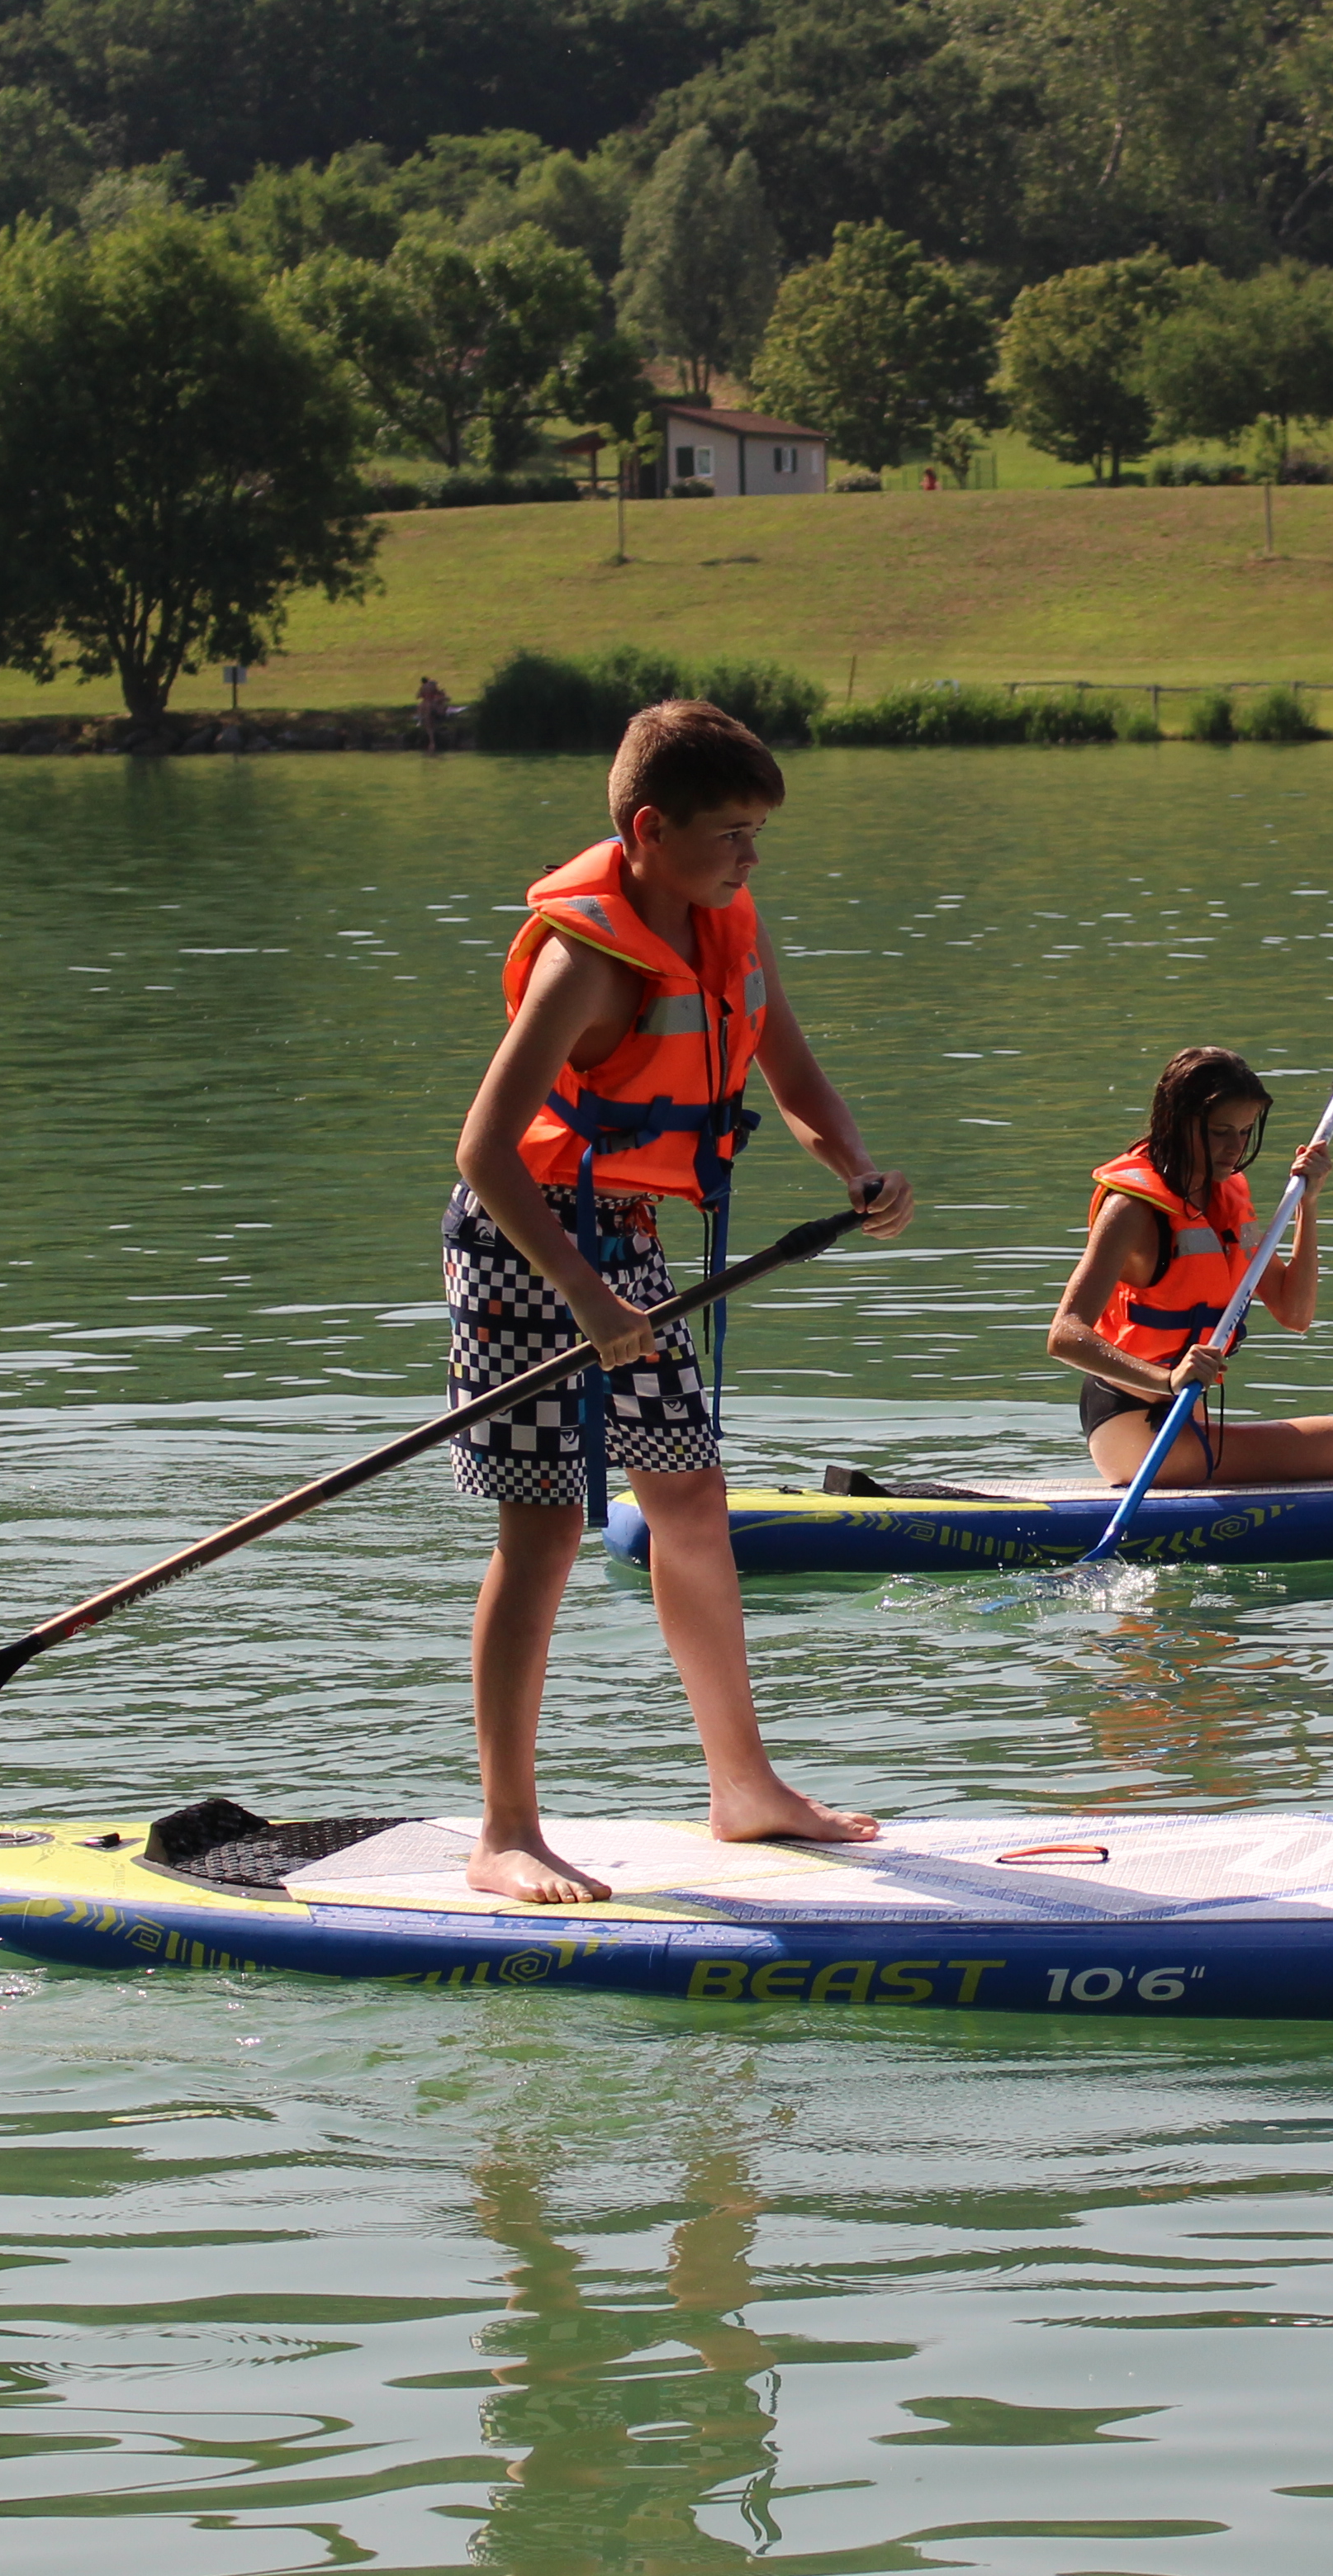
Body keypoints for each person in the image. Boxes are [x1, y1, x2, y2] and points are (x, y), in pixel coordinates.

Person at [447, 698, 914, 1902]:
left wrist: (852, 1165)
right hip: (529, 1246)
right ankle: (505, 1831)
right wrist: (588, 1296)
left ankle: (743, 1788)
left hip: (632, 1243)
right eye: (731, 834)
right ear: (650, 831)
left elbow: (789, 1066)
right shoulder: (583, 960)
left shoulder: (725, 927)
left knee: (691, 1505)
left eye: (759, 833)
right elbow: (485, 1154)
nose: (751, 858)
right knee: (545, 1532)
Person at [1046, 1046, 1333, 1489]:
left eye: (1244, 1132)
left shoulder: (1224, 1200)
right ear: (1178, 1122)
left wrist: (1308, 1204)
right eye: (1221, 1132)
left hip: (1186, 1419)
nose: (1235, 1148)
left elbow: (1294, 1313)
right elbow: (1064, 1335)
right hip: (1134, 1425)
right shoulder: (1131, 1209)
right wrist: (1168, 1380)